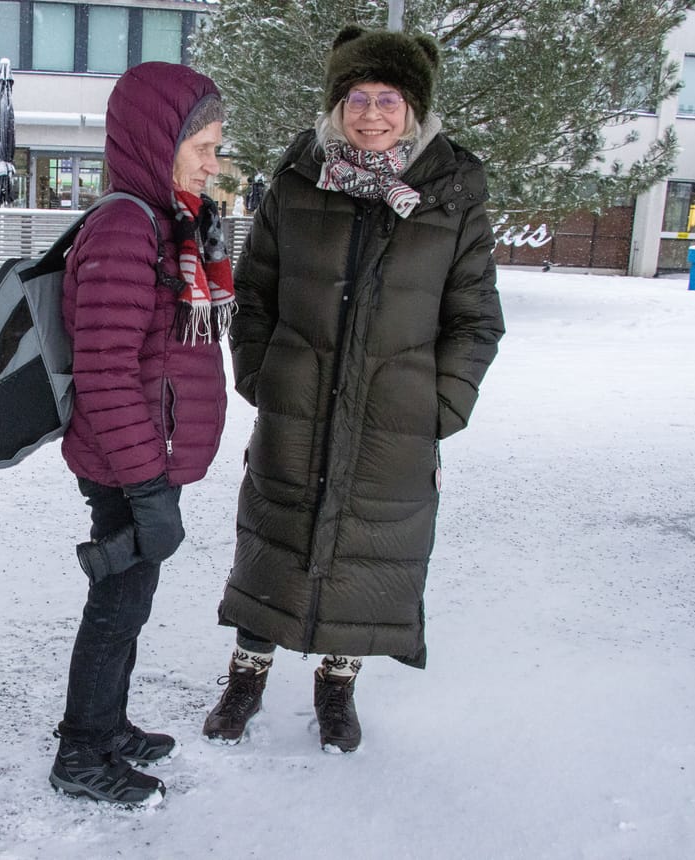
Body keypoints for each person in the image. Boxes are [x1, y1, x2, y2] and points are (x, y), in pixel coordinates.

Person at [203, 25, 505, 753]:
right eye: (357, 97)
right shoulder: (300, 177)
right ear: (337, 105)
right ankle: (245, 677)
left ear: (414, 106)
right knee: (274, 541)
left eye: (389, 98)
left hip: (393, 417)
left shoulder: (452, 189)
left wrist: (441, 404)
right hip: (298, 405)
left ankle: (338, 688)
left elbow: (476, 317)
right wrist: (261, 373)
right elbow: (257, 292)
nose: (371, 113)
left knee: (369, 555)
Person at [50, 62, 232, 807]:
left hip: (147, 460)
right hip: (130, 463)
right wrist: (146, 484)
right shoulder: (127, 228)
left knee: (133, 599)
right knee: (117, 604)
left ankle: (109, 722)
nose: (214, 163)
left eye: (218, 147)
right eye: (203, 146)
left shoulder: (166, 221)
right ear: (161, 138)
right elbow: (103, 372)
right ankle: (82, 752)